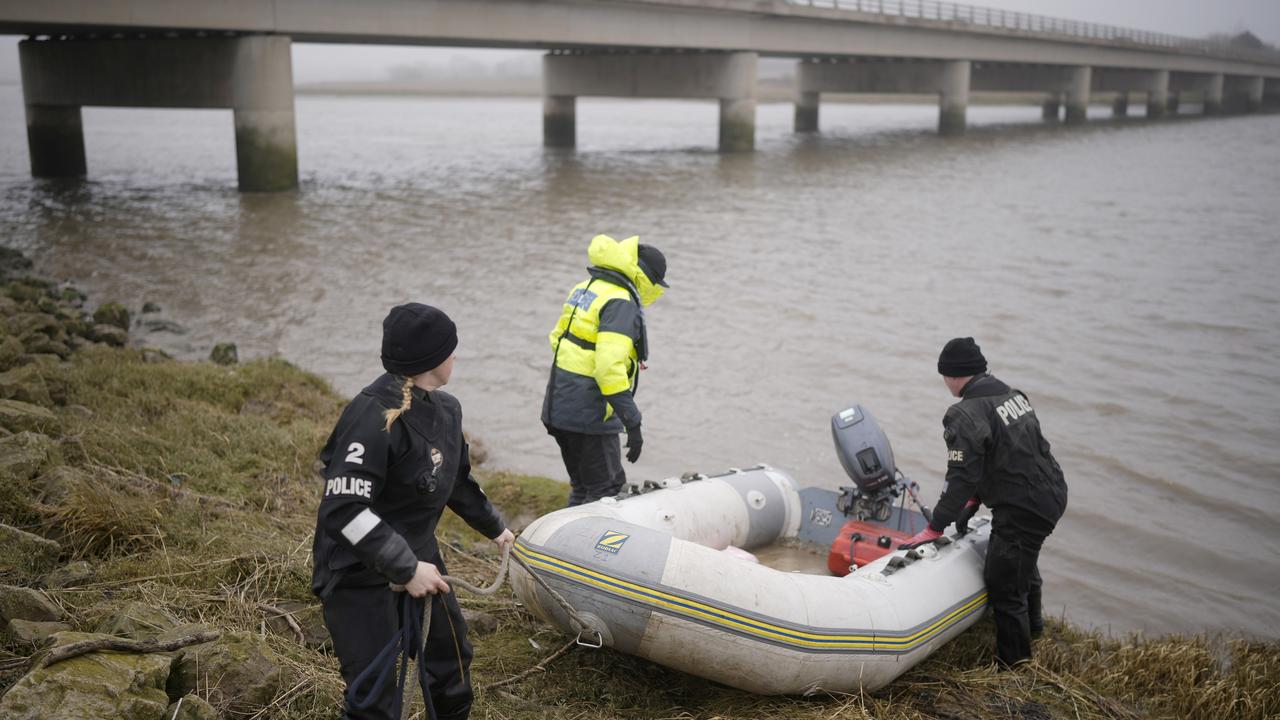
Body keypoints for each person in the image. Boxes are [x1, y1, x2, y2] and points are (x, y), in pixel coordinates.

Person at [311, 302, 515, 720]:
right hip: (358, 573)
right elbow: (344, 509)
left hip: (421, 555)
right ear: (432, 359)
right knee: (376, 697)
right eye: (451, 348)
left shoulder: (447, 409)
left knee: (452, 662)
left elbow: (454, 481)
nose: (456, 356)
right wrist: (405, 567)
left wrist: (496, 529)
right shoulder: (372, 416)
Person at [900, 337, 1068, 668]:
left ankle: (1014, 666)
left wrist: (935, 526)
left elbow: (960, 476)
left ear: (952, 374)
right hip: (1052, 491)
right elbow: (1008, 454)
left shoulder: (963, 413)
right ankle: (1034, 630)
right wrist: (974, 502)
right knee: (1022, 561)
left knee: (1004, 584)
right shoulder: (1012, 396)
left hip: (1023, 507)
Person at [541, 234, 669, 506]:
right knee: (606, 492)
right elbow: (608, 368)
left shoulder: (587, 287)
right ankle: (585, 548)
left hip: (558, 407)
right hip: (590, 417)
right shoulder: (620, 301)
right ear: (645, 277)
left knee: (582, 486)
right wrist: (632, 421)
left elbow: (557, 339)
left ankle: (565, 543)